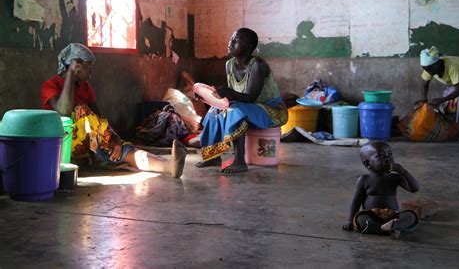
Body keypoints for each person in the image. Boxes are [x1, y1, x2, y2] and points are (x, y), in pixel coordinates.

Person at [41, 43, 186, 178]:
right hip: (61, 146)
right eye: (88, 67)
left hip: (88, 146)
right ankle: (96, 155)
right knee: (80, 110)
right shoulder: (51, 85)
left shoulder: (86, 88)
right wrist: (71, 74)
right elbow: (63, 112)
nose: (91, 72)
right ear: (76, 66)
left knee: (121, 149)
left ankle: (169, 166)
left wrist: (115, 138)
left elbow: (99, 120)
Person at [196, 28, 288, 173]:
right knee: (215, 110)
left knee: (235, 110)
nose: (230, 42)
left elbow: (250, 98)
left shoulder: (258, 65)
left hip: (272, 111)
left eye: (236, 40)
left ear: (249, 46)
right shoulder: (230, 65)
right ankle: (213, 156)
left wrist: (229, 93)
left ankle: (239, 161)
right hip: (249, 108)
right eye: (231, 38)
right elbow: (233, 98)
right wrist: (211, 96)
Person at [342, 141, 419, 238]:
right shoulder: (364, 179)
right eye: (381, 156)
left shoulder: (395, 177)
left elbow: (414, 188)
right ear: (368, 163)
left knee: (411, 216)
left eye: (390, 154)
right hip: (372, 215)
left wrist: (403, 172)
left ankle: (393, 225)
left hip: (393, 215)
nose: (388, 158)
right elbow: (356, 202)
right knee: (360, 219)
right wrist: (350, 221)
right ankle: (389, 229)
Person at [419, 46, 459, 135]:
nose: (427, 71)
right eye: (424, 69)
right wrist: (423, 100)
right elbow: (424, 85)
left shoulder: (452, 67)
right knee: (447, 104)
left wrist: (441, 100)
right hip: (457, 82)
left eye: (429, 69)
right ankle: (453, 128)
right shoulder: (429, 68)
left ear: (437, 63)